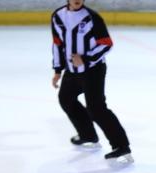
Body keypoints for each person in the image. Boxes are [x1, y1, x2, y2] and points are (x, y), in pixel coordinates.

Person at [51, 0, 133, 163]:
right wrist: (58, 70)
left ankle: (121, 146)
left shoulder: (92, 17)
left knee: (96, 108)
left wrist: (85, 58)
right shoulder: (58, 16)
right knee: (66, 99)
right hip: (72, 71)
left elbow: (106, 44)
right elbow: (57, 43)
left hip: (93, 70)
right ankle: (88, 135)